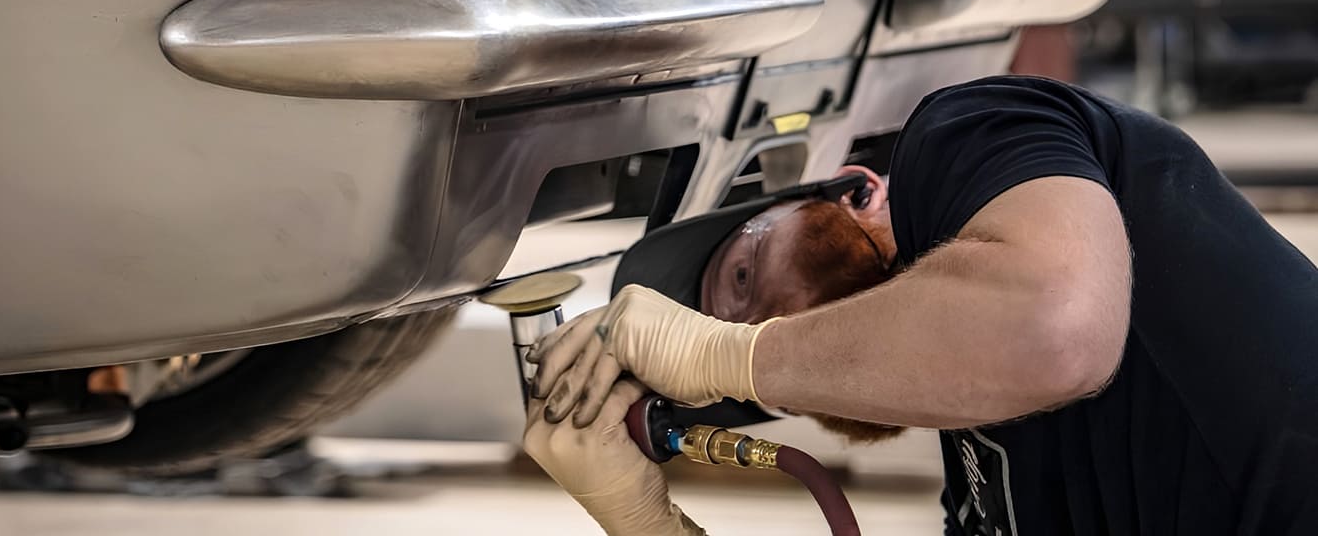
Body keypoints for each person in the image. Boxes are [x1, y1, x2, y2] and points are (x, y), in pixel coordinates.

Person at [523, 75, 1318, 534]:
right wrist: (650, 524)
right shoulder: (985, 485)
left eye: (738, 277)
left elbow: (1055, 331)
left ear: (854, 192)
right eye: (730, 335)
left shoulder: (970, 136)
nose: (742, 322)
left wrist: (722, 358)